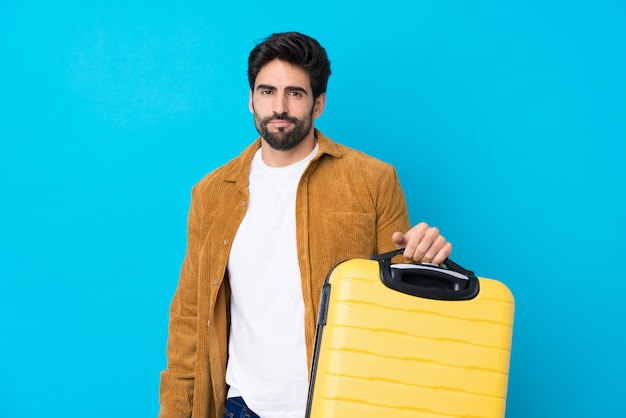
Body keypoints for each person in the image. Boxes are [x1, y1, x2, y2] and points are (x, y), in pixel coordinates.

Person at [159, 32, 453, 418]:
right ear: (250, 99)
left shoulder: (373, 180)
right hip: (243, 407)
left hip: (345, 404)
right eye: (267, 91)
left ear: (318, 104)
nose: (278, 106)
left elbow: (400, 306)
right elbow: (190, 318)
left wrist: (425, 261)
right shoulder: (212, 194)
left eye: (295, 93)